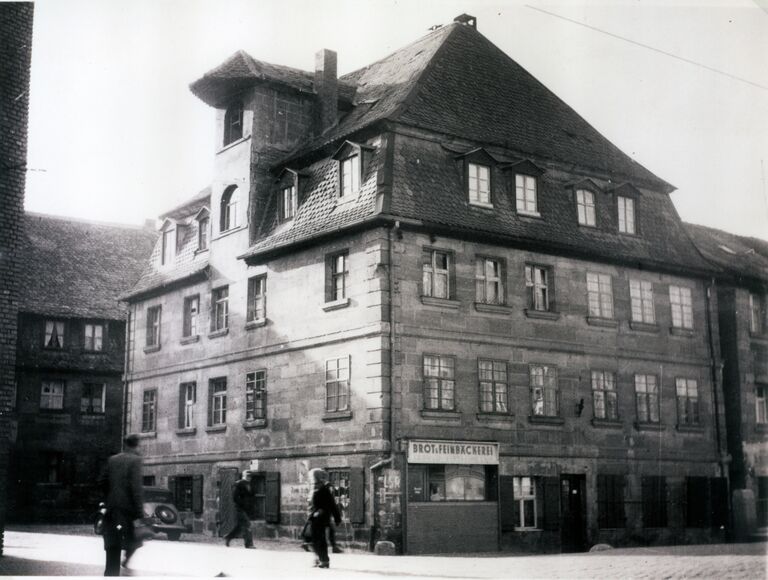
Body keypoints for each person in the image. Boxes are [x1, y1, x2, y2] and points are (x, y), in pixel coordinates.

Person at [100, 434, 144, 576]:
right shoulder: (136, 461)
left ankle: (111, 573)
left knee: (112, 549)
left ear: (125, 444)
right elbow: (136, 488)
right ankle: (125, 560)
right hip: (127, 513)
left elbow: (102, 481)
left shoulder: (112, 460)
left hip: (112, 511)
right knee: (135, 539)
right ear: (136, 445)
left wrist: (109, 500)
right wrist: (139, 513)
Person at [308, 468, 341, 569]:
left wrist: (337, 518)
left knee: (320, 540)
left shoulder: (324, 489)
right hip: (313, 518)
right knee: (312, 539)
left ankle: (324, 560)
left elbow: (331, 504)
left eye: (313, 476)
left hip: (322, 518)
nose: (311, 478)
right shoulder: (314, 488)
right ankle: (317, 558)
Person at [224, 470, 255, 548]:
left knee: (240, 526)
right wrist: (241, 504)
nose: (249, 477)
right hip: (239, 508)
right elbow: (235, 497)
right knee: (247, 524)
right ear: (243, 476)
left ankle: (228, 537)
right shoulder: (238, 484)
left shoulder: (250, 485)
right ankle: (248, 544)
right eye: (247, 476)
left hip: (246, 509)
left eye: (250, 476)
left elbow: (251, 497)